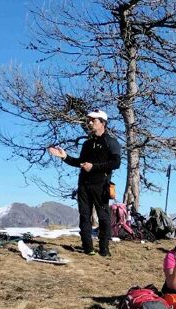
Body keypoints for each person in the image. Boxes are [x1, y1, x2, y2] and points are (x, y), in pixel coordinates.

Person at [47, 110, 121, 257]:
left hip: (101, 186)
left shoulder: (111, 142)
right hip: (84, 185)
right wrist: (65, 157)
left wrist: (94, 167)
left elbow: (116, 162)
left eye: (93, 120)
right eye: (89, 120)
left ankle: (104, 249)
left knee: (104, 217)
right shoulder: (87, 143)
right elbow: (80, 162)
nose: (90, 123)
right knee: (84, 216)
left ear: (103, 123)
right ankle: (88, 248)